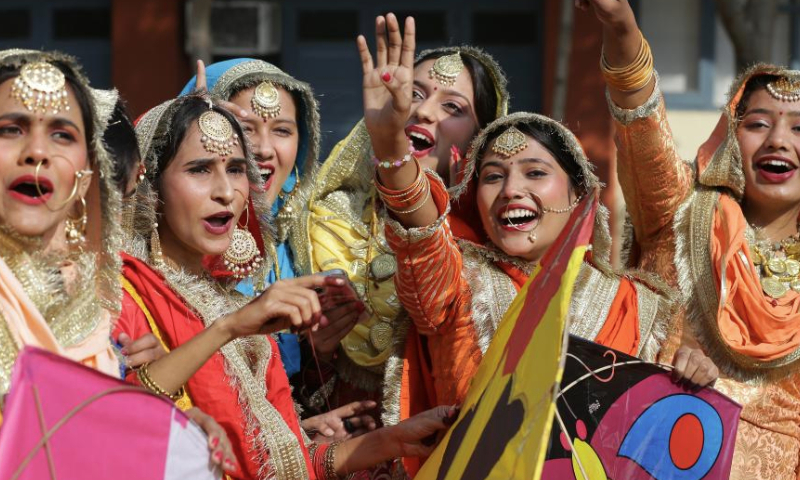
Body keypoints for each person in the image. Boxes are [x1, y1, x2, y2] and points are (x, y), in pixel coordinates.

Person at [116, 93, 458, 480]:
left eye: (236, 169)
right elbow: (116, 424)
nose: (226, 191)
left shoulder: (232, 310)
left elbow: (291, 464)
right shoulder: (126, 294)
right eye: (199, 169)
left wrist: (390, 442)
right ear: (151, 185)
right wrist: (230, 328)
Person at [585, 0, 800, 477]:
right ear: (729, 133)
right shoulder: (679, 209)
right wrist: (620, 24)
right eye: (758, 123)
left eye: (799, 128)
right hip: (641, 456)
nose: (778, 141)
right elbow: (640, 124)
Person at [0, 48, 235, 469]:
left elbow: (82, 430)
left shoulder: (88, 291)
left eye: (62, 134)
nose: (38, 152)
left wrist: (167, 425)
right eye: (11, 129)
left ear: (88, 169)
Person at [294, 13, 511, 425]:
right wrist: (317, 353)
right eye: (414, 93)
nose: (423, 111)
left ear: (481, 140)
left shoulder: (492, 246)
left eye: (452, 107)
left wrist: (391, 146)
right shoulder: (321, 219)